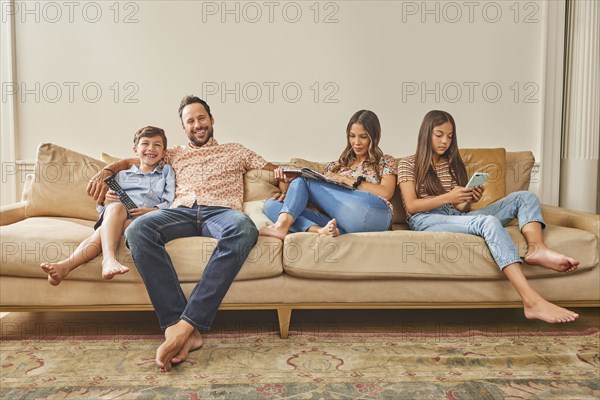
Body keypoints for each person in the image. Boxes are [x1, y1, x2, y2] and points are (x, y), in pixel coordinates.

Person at [86, 96, 288, 372]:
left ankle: (184, 326)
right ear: (184, 128)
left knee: (243, 227)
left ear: (212, 119)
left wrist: (283, 180)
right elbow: (132, 159)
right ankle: (175, 325)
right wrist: (105, 172)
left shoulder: (236, 150)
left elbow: (272, 170)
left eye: (201, 118)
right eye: (190, 121)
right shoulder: (174, 153)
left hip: (220, 212)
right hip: (180, 211)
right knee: (138, 230)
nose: (197, 125)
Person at [397, 110, 580, 324]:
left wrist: (469, 198)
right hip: (425, 219)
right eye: (439, 134)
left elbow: (460, 209)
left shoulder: (453, 164)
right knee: (488, 222)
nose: (445, 141)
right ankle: (531, 301)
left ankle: (536, 248)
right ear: (426, 133)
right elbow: (412, 205)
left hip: (453, 215)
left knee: (525, 197)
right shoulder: (408, 164)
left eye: (450, 135)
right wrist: (449, 196)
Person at [41, 126, 174, 285]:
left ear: (164, 152)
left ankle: (65, 265)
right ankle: (109, 259)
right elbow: (102, 205)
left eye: (157, 145)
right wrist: (106, 200)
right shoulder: (121, 174)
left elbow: (170, 201)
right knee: (116, 208)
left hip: (142, 220)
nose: (151, 148)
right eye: (145, 144)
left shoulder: (166, 172)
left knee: (105, 231)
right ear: (135, 150)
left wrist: (151, 211)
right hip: (116, 213)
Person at [259, 110, 397, 239]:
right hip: (344, 223)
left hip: (376, 214)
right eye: (352, 136)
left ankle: (281, 226)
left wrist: (345, 179)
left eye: (363, 137)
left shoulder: (385, 161)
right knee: (271, 205)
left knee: (303, 180)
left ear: (374, 137)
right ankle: (320, 230)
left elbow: (386, 193)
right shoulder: (336, 166)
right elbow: (317, 203)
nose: (356, 142)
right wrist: (289, 193)